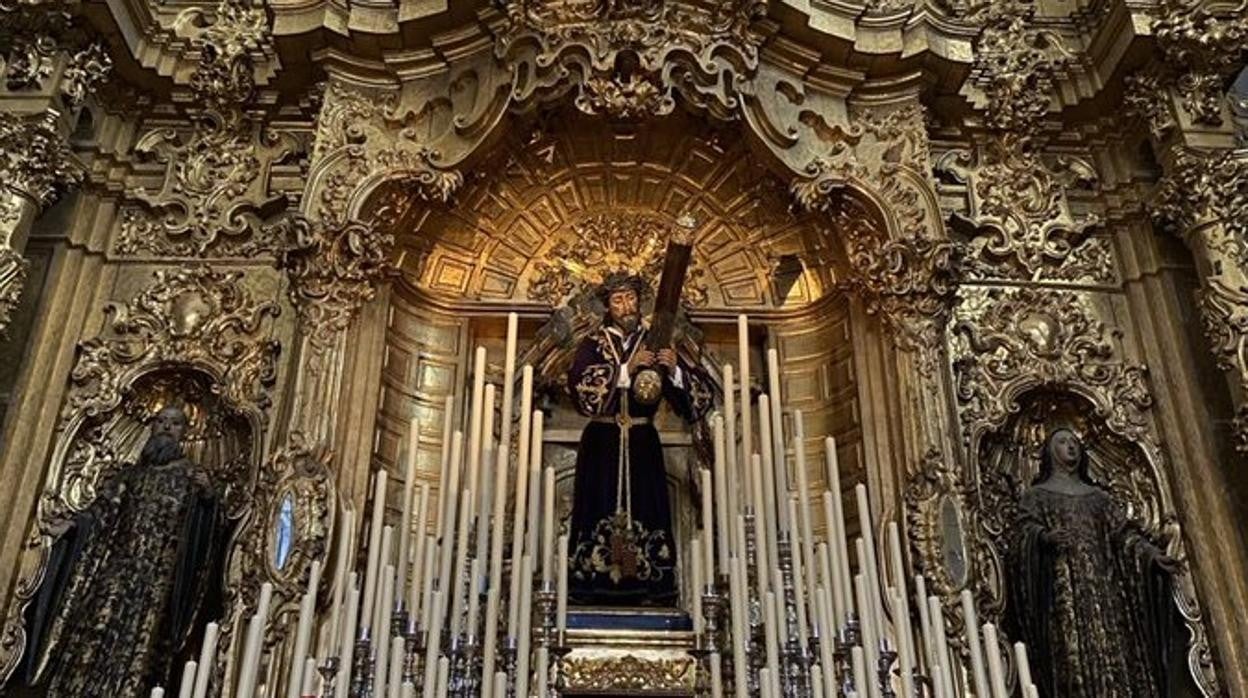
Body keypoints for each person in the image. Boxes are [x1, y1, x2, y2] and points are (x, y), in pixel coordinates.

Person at [14, 405, 224, 697]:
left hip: (158, 582)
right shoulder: (129, 475)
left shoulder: (192, 477)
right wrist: (73, 525)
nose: (165, 427)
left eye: (174, 424)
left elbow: (206, 539)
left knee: (144, 643)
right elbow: (102, 513)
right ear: (151, 426)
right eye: (160, 421)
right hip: (116, 570)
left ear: (184, 432)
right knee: (94, 631)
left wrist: (209, 499)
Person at [566, 272, 712, 606]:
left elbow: (698, 400)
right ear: (608, 307)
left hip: (642, 441)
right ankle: (596, 586)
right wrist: (625, 370)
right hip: (603, 441)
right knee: (599, 506)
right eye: (618, 300)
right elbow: (580, 387)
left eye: (630, 298)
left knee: (645, 509)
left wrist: (675, 370)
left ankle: (646, 585)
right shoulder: (594, 342)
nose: (626, 306)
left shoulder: (657, 339)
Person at [1006, 427, 1180, 698]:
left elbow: (1124, 535)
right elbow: (1022, 536)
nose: (1071, 447)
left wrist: (1150, 555)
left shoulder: (1100, 499)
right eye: (1063, 442)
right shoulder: (1037, 496)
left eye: (1075, 442)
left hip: (1107, 598)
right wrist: (1043, 537)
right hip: (1064, 600)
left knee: (1119, 654)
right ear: (1050, 453)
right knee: (1070, 659)